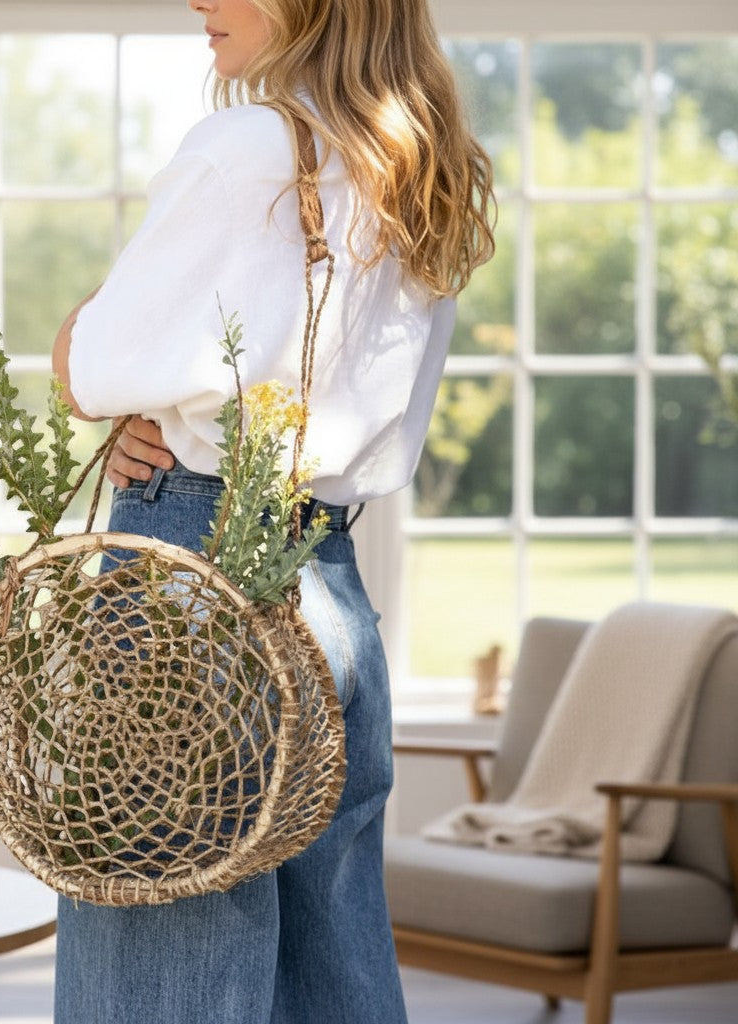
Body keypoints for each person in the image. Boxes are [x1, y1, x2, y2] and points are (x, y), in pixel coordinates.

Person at [50, 0, 495, 1020]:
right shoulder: (421, 169)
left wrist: (99, 357)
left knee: (161, 972)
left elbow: (95, 363)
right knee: (329, 972)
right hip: (326, 593)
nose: (199, 0)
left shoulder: (246, 149)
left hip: (182, 577)